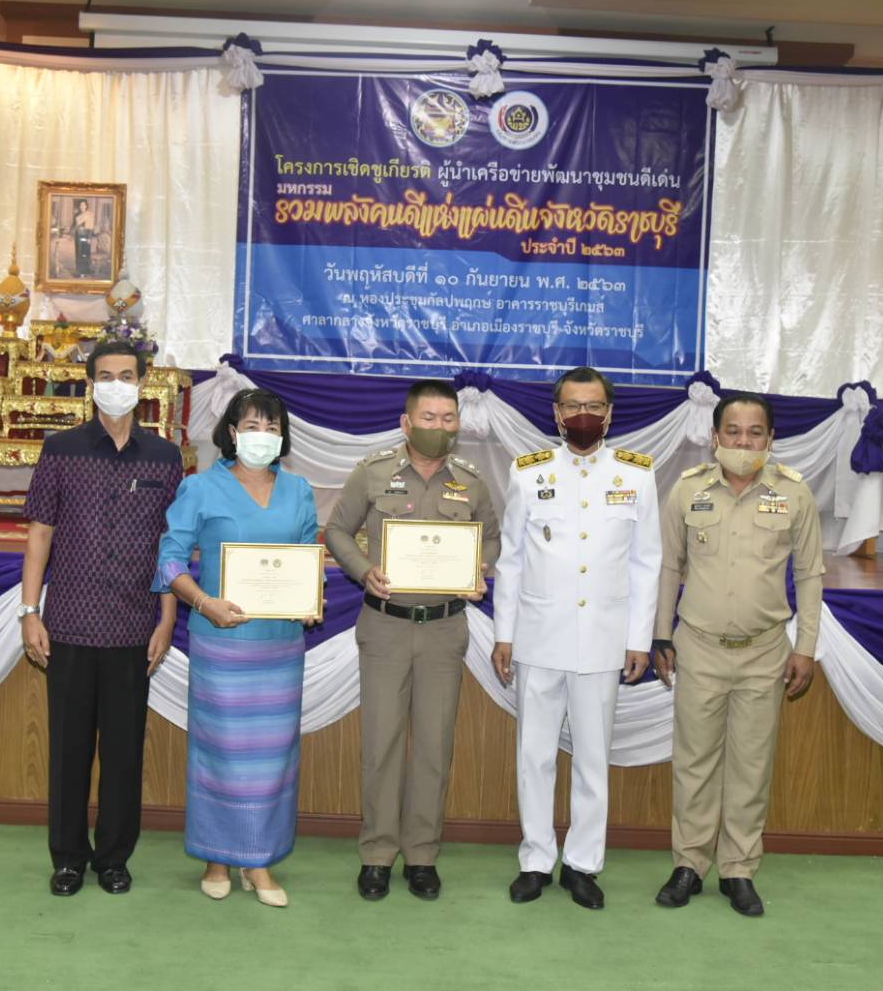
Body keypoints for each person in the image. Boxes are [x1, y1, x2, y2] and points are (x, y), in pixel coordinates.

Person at [491, 366, 662, 910]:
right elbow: (512, 560)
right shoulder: (527, 471)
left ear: (609, 413)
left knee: (593, 758)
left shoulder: (637, 475)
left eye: (593, 405)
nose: (582, 415)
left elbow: (646, 563)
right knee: (534, 755)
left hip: (603, 640)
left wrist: (639, 640)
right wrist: (504, 634)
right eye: (572, 406)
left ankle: (584, 864)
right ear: (556, 413)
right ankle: (536, 859)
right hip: (538, 637)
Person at [325, 379, 501, 902]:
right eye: (429, 418)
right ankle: (377, 854)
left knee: (433, 745)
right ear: (407, 423)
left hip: (446, 629)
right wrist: (362, 570)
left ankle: (422, 855)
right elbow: (336, 530)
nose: (439, 427)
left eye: (448, 419)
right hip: (384, 626)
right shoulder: (374, 471)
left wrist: (480, 567)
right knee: (380, 745)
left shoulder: (471, 481)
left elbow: (491, 535)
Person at [650, 392, 824, 917]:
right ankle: (689, 865)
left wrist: (808, 648)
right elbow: (668, 568)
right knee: (695, 764)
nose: (742, 442)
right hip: (698, 647)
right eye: (733, 432)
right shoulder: (687, 491)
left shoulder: (795, 495)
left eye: (754, 434)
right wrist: (662, 635)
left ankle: (739, 869)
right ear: (715, 436)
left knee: (751, 765)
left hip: (765, 652)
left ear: (770, 440)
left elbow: (810, 573)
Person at [19, 340, 183, 897]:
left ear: (143, 382)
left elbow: (171, 544)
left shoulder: (164, 457)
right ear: (91, 384)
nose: (117, 382)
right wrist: (28, 611)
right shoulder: (61, 449)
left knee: (123, 751)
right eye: (106, 374)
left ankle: (114, 858)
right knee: (67, 750)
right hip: (66, 624)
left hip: (134, 629)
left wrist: (166, 618)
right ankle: (67, 858)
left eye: (127, 374)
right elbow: (40, 532)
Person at [153, 388, 321, 908]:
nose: (262, 437)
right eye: (252, 426)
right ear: (231, 432)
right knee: (220, 754)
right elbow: (170, 561)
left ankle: (261, 862)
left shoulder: (299, 490)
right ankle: (216, 857)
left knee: (273, 759)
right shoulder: (200, 488)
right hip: (222, 642)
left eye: (272, 429)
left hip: (279, 646)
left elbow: (310, 554)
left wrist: (312, 597)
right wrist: (203, 603)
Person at [73, 199, 95, 278]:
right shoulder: (77, 215)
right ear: (79, 207)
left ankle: (86, 270)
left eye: (83, 205)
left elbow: (90, 228)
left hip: (86, 236)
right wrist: (75, 227)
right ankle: (80, 271)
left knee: (86, 253)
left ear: (86, 206)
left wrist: (89, 238)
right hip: (78, 236)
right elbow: (74, 226)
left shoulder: (89, 214)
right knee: (79, 254)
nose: (82, 207)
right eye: (80, 205)